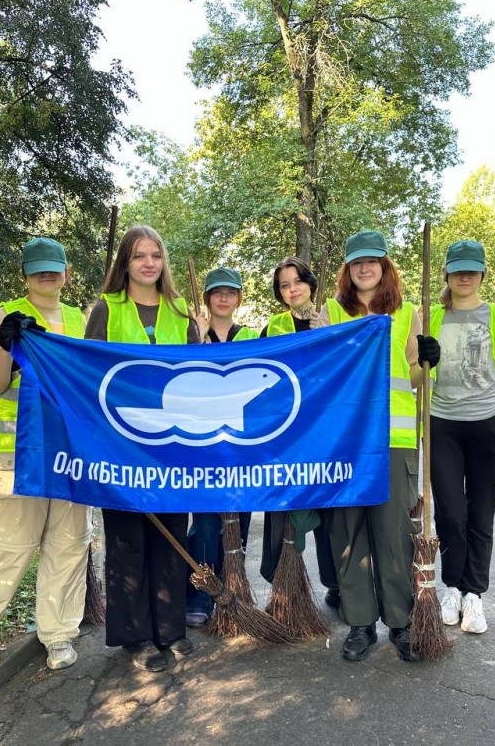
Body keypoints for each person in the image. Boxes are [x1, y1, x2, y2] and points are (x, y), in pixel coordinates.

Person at [0, 237, 91, 671]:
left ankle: (58, 634)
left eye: (54, 268)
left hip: (69, 451)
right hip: (15, 450)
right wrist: (11, 348)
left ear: (66, 273)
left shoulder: (79, 319)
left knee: (70, 544)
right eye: (38, 269)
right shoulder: (2, 315)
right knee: (11, 544)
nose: (47, 275)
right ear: (25, 274)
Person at [315, 230, 440, 662]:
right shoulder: (331, 312)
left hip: (395, 439)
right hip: (346, 442)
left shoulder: (407, 313)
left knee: (394, 537)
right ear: (347, 270)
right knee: (348, 534)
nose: (365, 268)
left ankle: (401, 623)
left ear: (385, 266)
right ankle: (360, 622)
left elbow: (414, 376)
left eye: (372, 261)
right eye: (356, 262)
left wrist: (427, 360)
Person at [84, 224, 204, 672]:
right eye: (139, 256)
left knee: (170, 536)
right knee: (128, 541)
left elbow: (199, 377)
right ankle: (136, 637)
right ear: (125, 263)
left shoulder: (180, 313)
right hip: (121, 447)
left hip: (172, 449)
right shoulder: (106, 309)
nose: (149, 263)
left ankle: (170, 630)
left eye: (155, 255)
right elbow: (87, 371)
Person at [427, 239, 495, 635]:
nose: (465, 276)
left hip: (487, 426)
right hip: (441, 425)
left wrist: (483, 404)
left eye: (472, 269)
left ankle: (474, 595)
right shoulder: (429, 315)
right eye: (458, 269)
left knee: (481, 511)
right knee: (450, 512)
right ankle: (451, 586)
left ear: (482, 274)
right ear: (447, 274)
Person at [258, 256, 340, 609]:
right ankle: (283, 582)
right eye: (284, 285)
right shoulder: (273, 326)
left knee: (330, 509)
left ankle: (336, 581)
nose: (292, 289)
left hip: (326, 431)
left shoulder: (332, 320)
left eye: (297, 281)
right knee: (282, 508)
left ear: (310, 282)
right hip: (286, 434)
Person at [184, 266, 258, 627]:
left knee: (238, 521)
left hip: (240, 446)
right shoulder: (194, 335)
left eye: (230, 292)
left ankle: (232, 590)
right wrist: (195, 343)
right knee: (206, 523)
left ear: (239, 298)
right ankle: (200, 593)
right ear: (208, 298)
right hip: (201, 445)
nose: (223, 298)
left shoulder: (252, 337)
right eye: (216, 292)